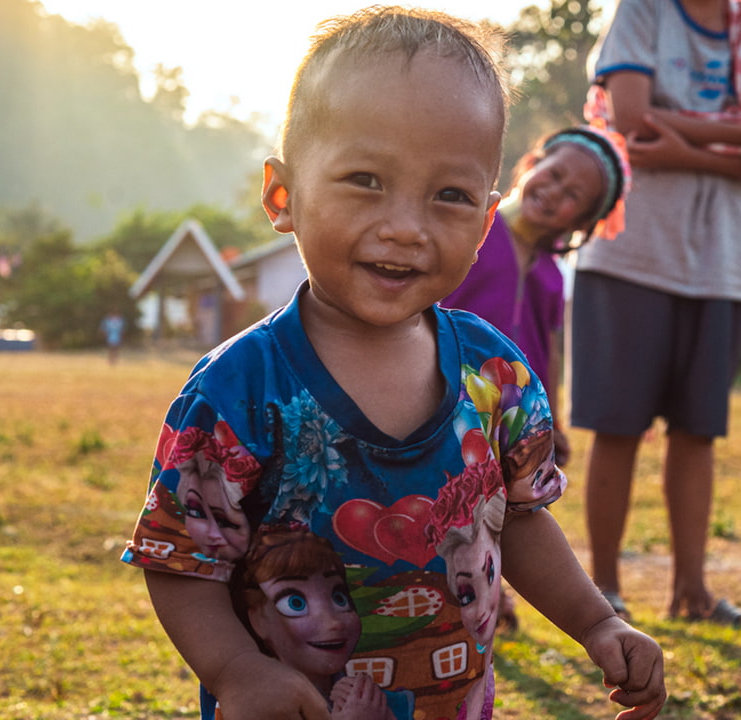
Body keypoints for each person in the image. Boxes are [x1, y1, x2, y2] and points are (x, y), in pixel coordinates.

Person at [120, 8, 665, 720]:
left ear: (485, 218)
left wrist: (597, 623)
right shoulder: (236, 392)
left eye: (450, 195)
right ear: (283, 195)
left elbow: (522, 522)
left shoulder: (495, 375)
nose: (405, 226)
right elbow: (182, 559)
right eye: (365, 179)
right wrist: (236, 670)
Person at [571, 0, 741, 627]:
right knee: (618, 426)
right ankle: (605, 588)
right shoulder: (646, 13)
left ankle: (692, 589)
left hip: (721, 265)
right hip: (632, 254)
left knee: (697, 431)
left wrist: (685, 142)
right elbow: (630, 122)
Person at [441, 124, 630, 628]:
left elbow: (551, 351)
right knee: (454, 498)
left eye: (574, 196)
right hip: (450, 398)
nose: (555, 193)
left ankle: (493, 591)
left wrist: (554, 420)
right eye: (555, 174)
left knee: (510, 506)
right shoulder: (476, 231)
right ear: (531, 164)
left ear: (582, 220)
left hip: (515, 413)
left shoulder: (550, 271)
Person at [236, 528, 398, 720]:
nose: (333, 622)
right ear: (258, 620)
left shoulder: (371, 700)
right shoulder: (262, 705)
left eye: (339, 598)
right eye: (296, 603)